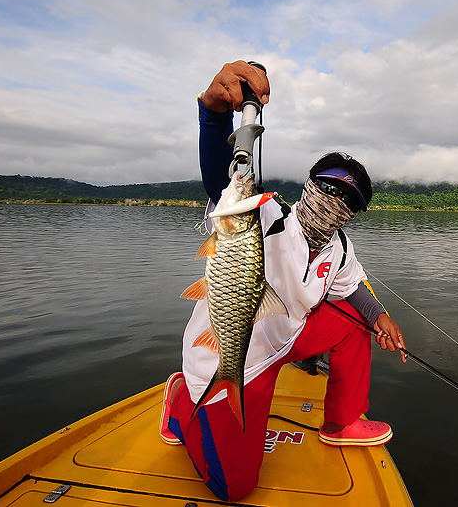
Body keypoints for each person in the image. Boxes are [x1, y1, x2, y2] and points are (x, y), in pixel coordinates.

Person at [159, 60, 406, 502]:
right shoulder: (264, 216)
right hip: (236, 354)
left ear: (354, 213)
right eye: (328, 186)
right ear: (308, 186)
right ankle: (181, 400)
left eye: (348, 198)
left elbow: (352, 287)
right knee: (235, 488)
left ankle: (341, 423)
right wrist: (213, 114)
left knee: (355, 321)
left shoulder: (340, 247)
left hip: (287, 340)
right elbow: (221, 179)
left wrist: (381, 315)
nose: (335, 200)